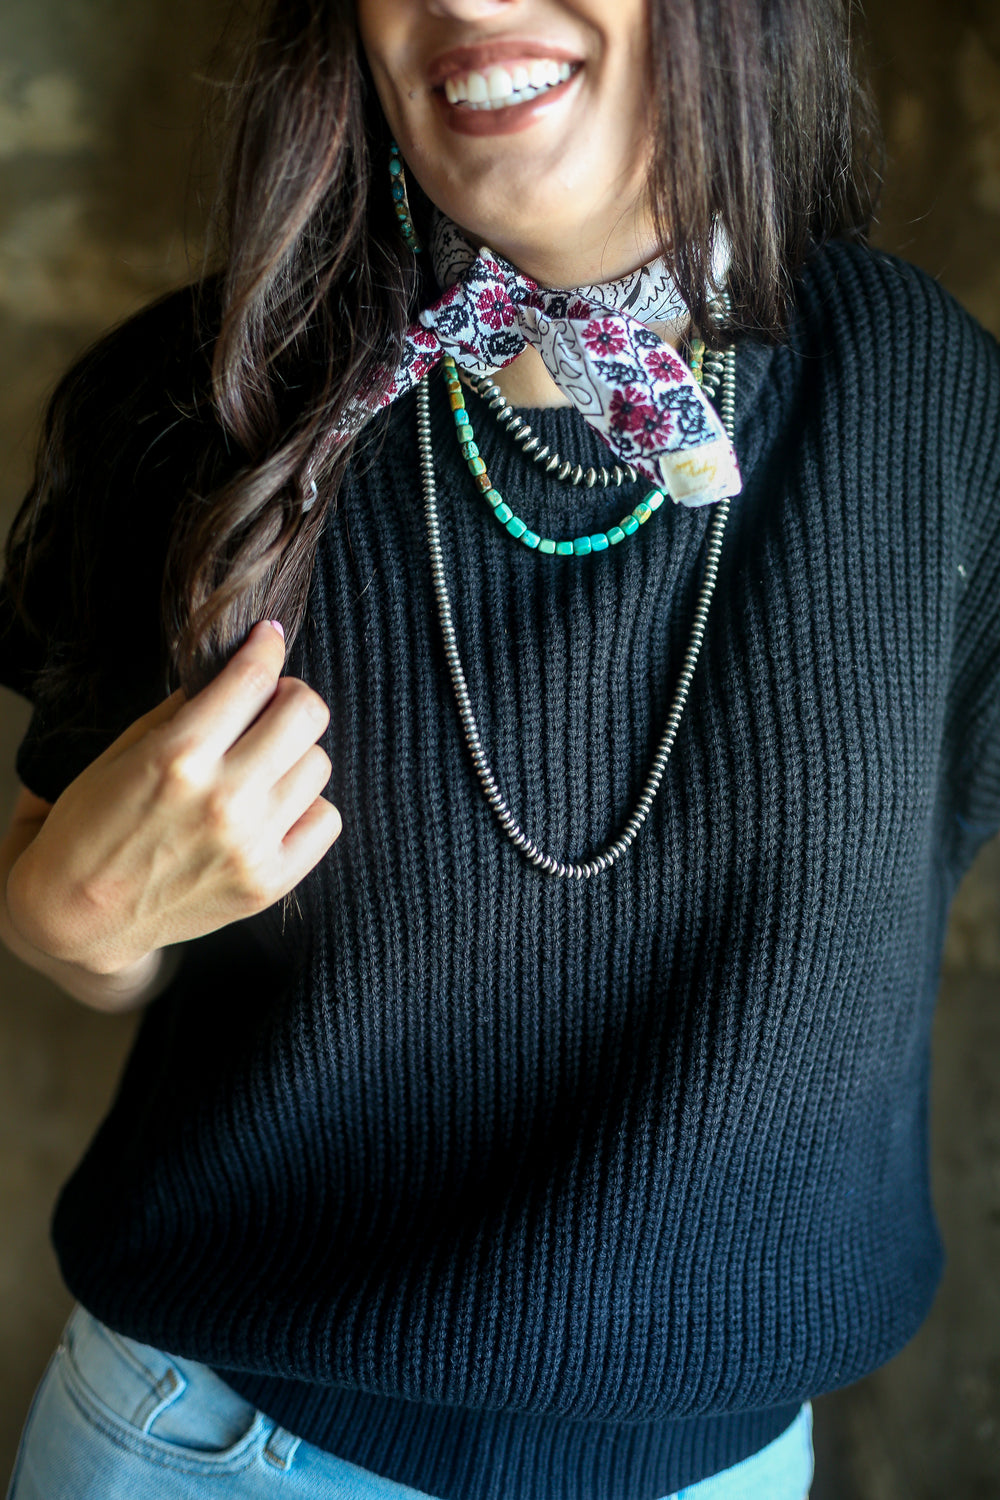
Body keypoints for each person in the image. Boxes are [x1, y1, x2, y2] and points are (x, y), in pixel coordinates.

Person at [1, 0, 998, 1495]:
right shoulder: (198, 401)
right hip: (211, 1449)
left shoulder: (933, 406)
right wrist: (67, 917)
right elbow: (78, 900)